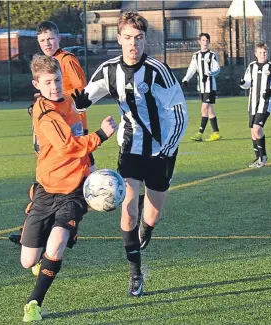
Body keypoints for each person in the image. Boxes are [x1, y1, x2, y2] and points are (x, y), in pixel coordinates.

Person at [71, 11, 188, 297]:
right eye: (127, 38)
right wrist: (69, 103)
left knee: (152, 214)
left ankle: (146, 230)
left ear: (145, 39)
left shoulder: (158, 71)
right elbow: (83, 100)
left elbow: (180, 113)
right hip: (130, 146)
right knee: (127, 210)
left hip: (162, 150)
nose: (133, 44)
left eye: (138, 38)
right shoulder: (109, 69)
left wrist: (168, 148)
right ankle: (135, 273)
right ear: (119, 38)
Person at [21, 54, 117, 322]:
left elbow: (79, 128)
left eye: (58, 80)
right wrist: (101, 135)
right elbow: (68, 147)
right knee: (28, 262)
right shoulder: (46, 114)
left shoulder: (68, 102)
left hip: (73, 189)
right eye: (48, 82)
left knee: (58, 240)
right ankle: (33, 219)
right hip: (46, 187)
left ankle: (34, 303)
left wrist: (91, 168)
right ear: (37, 85)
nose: (54, 87)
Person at [9, 21, 94, 246]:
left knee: (84, 181)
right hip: (51, 129)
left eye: (50, 39)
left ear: (59, 39)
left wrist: (55, 100)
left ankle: (66, 228)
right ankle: (34, 226)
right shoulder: (45, 64)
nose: (47, 43)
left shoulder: (67, 60)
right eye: (42, 40)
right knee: (47, 179)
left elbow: (81, 92)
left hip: (72, 131)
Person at [239, 42, 271, 167]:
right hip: (252, 103)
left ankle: (263, 157)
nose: (263, 54)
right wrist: (242, 83)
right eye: (260, 52)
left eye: (265, 52)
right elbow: (247, 83)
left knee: (257, 128)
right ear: (255, 54)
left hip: (265, 104)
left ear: (267, 53)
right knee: (253, 131)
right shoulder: (251, 66)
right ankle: (257, 157)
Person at [181, 33, 222, 142]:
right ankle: (216, 132)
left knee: (204, 107)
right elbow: (192, 69)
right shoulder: (196, 55)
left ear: (209, 42)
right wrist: (186, 79)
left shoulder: (212, 55)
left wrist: (208, 73)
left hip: (210, 87)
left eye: (207, 41)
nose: (205, 43)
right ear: (199, 42)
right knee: (209, 110)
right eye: (203, 40)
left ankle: (200, 133)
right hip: (201, 87)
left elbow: (217, 69)